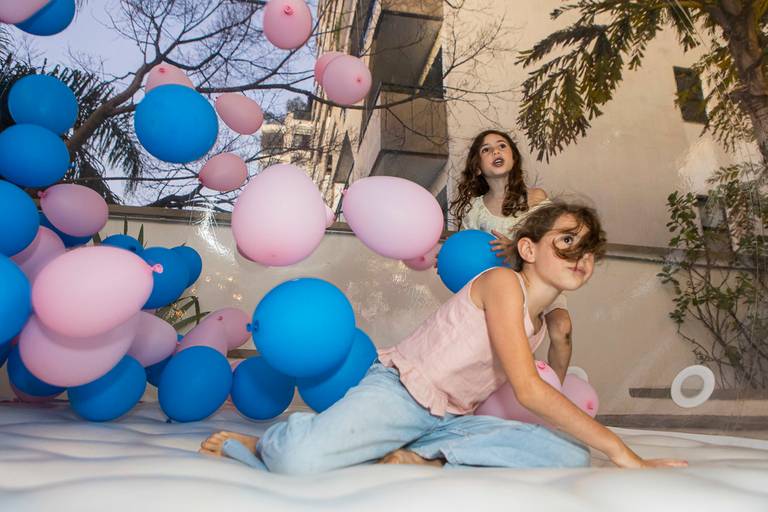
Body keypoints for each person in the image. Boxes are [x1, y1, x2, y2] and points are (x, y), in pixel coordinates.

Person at [199, 201, 688, 474]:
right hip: (400, 395)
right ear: (527, 248)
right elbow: (528, 389)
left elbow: (548, 388)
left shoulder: (542, 322)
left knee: (570, 454)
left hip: (450, 422)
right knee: (294, 462)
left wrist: (561, 338)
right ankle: (266, 442)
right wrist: (621, 451)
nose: (581, 256)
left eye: (590, 250)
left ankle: (422, 455)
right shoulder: (503, 284)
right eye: (567, 241)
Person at [450, 129, 572, 383]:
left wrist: (516, 249)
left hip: (539, 280)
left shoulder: (536, 198)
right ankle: (520, 391)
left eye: (502, 146)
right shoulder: (475, 210)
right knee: (514, 345)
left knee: (562, 328)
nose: (495, 151)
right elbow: (465, 251)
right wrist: (448, 260)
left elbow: (553, 241)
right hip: (502, 291)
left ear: (513, 158)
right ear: (477, 167)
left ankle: (555, 391)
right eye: (486, 149)